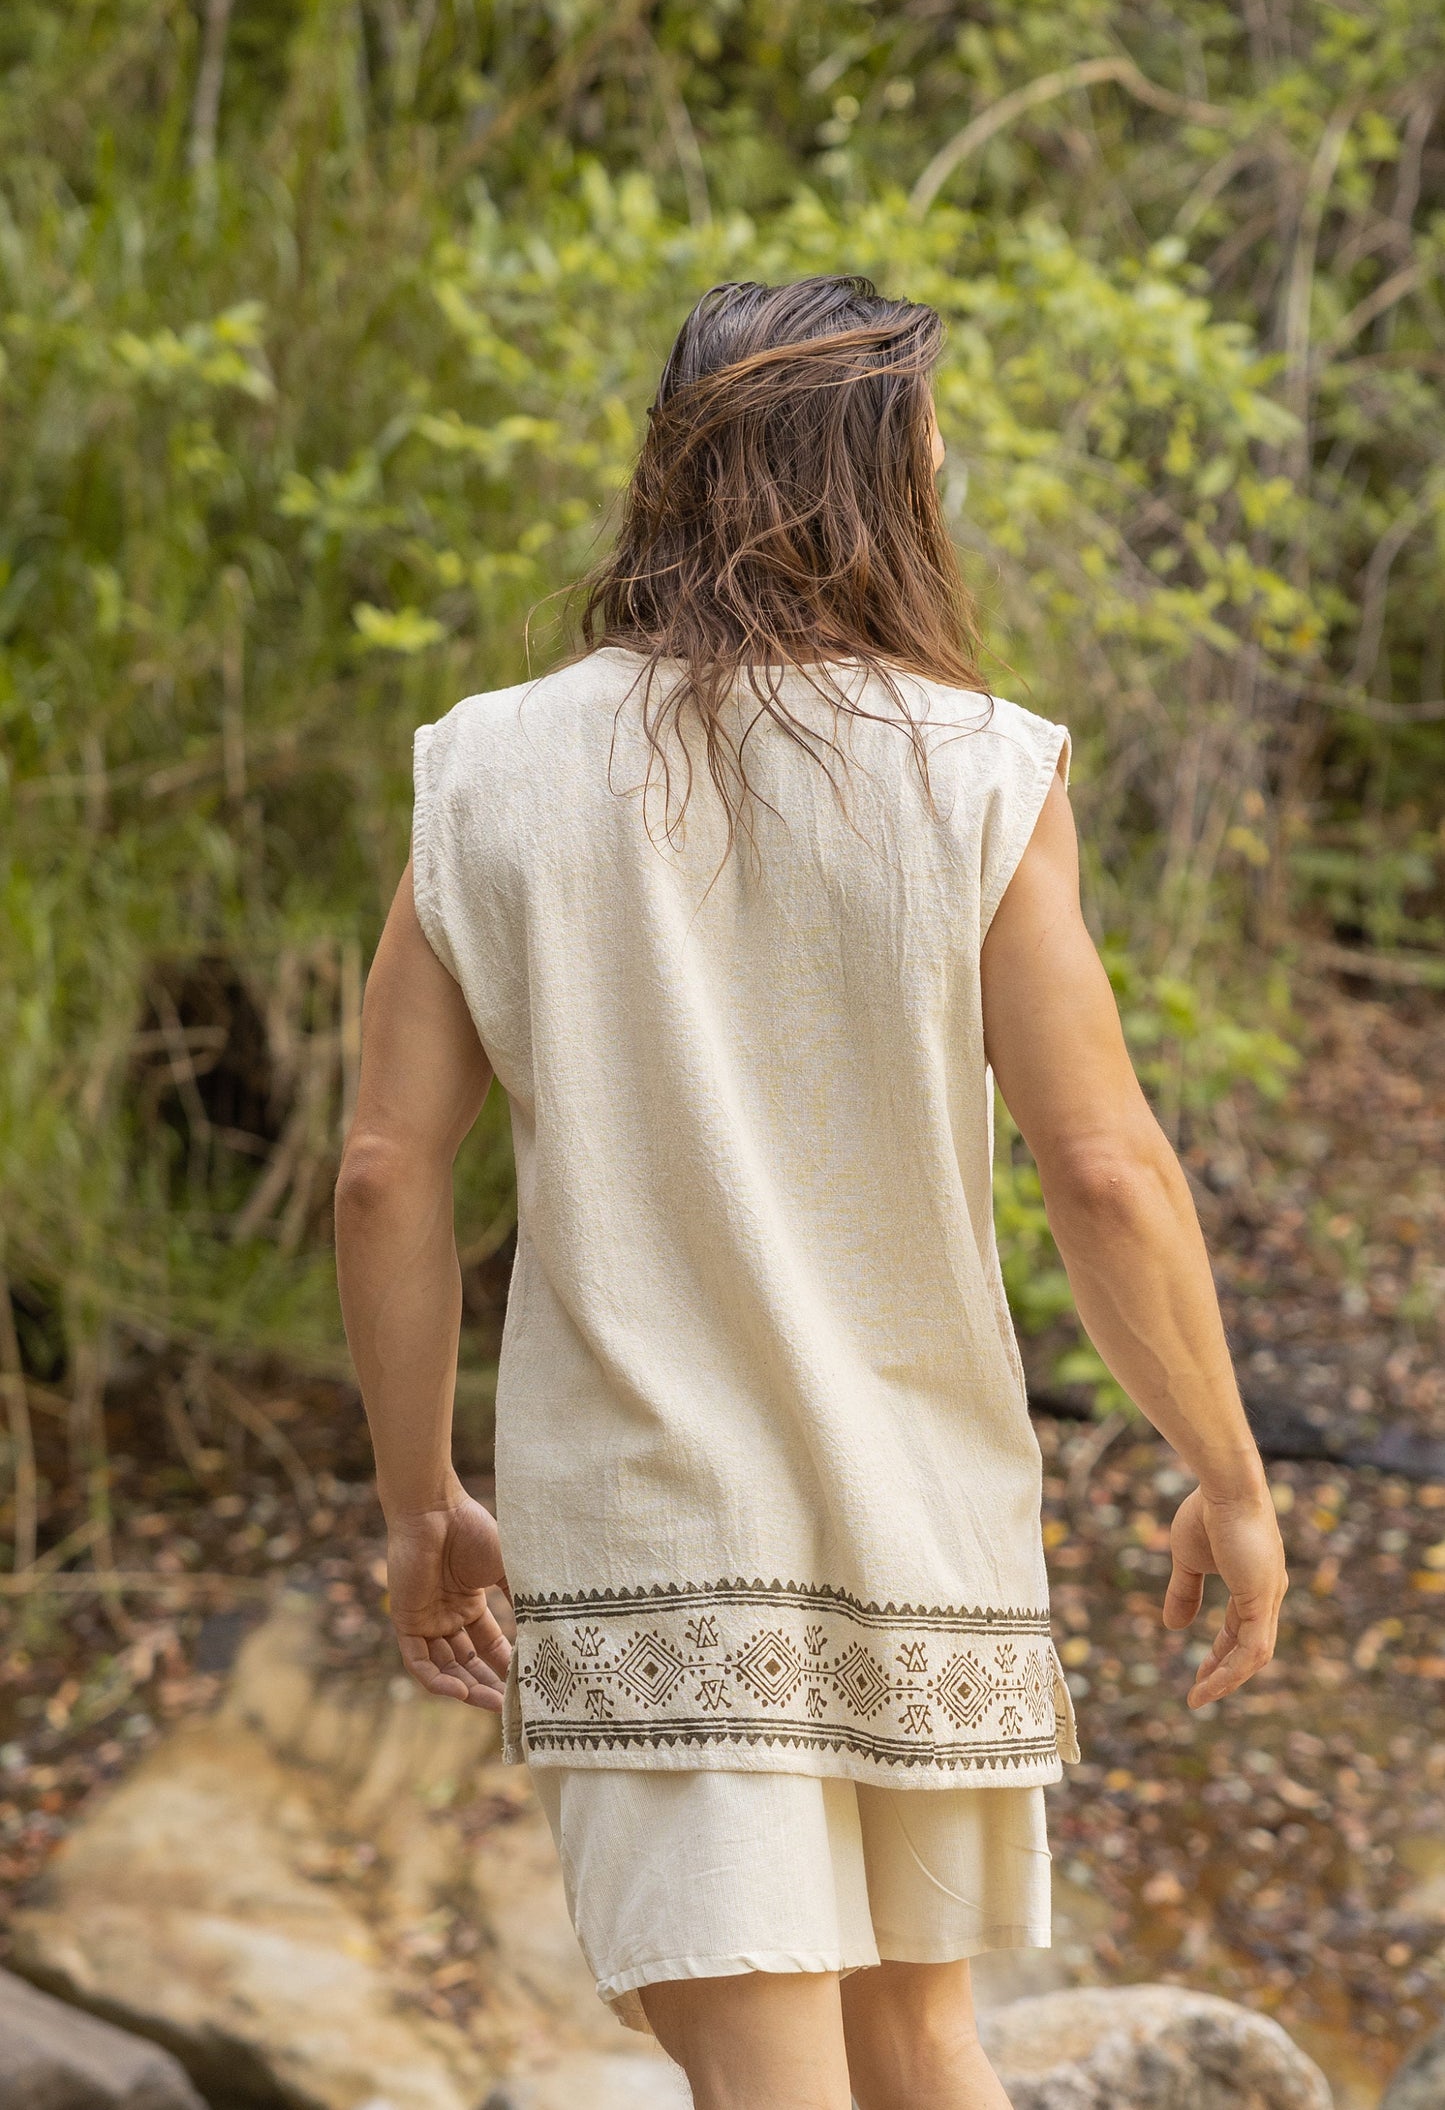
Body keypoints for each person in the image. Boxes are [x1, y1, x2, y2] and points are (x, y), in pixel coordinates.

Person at [334, 275, 1287, 2110]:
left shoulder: (491, 771)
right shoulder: (976, 771)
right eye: (934, 446)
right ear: (882, 476)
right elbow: (1102, 1166)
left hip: (650, 1528)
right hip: (920, 1529)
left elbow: (386, 1173)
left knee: (761, 2072)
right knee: (925, 2047)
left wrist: (420, 1501)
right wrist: (1227, 1476)